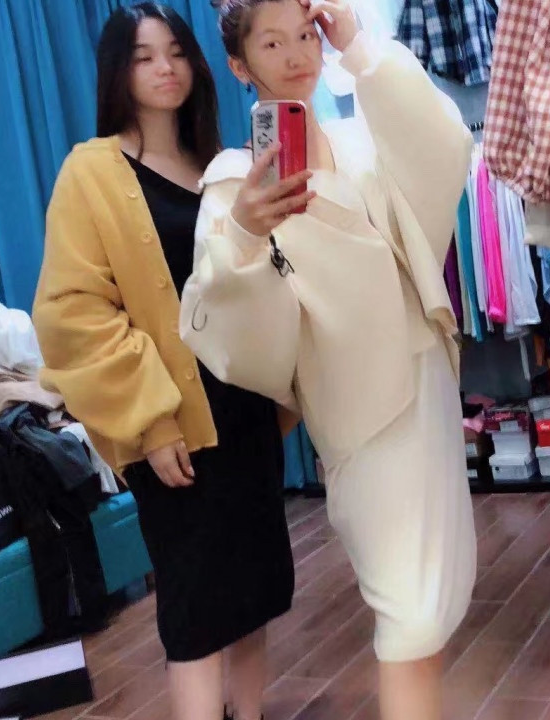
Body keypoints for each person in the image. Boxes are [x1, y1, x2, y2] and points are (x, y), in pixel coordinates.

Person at [180, 1, 477, 718]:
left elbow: (444, 152)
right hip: (356, 405)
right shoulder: (233, 180)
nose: (296, 56)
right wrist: (244, 235)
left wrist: (360, 49)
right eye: (271, 44)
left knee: (433, 608)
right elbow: (231, 330)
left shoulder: (359, 139)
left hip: (425, 376)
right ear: (239, 65)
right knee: (408, 612)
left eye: (305, 35)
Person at [32, 5, 294, 720]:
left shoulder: (220, 164)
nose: (165, 68)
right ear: (117, 70)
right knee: (195, 606)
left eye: (176, 51)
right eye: (144, 56)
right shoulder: (91, 172)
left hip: (243, 407)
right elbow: (73, 312)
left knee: (256, 588)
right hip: (173, 421)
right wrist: (150, 421)